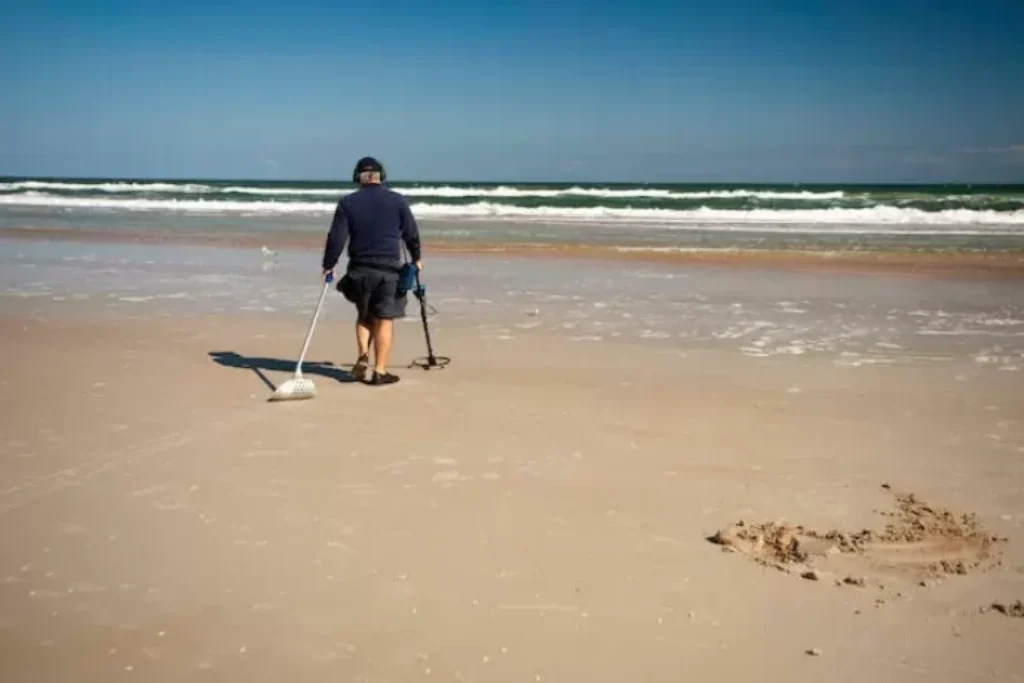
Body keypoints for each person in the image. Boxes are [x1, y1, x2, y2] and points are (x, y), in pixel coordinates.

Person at [321, 156, 422, 386]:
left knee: (364, 315)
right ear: (381, 177)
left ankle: (363, 356)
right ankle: (380, 371)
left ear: (358, 177)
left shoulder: (348, 203)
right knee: (384, 319)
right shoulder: (397, 201)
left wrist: (328, 264)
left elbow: (336, 238)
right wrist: (417, 258)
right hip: (388, 270)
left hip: (359, 269)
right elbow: (411, 234)